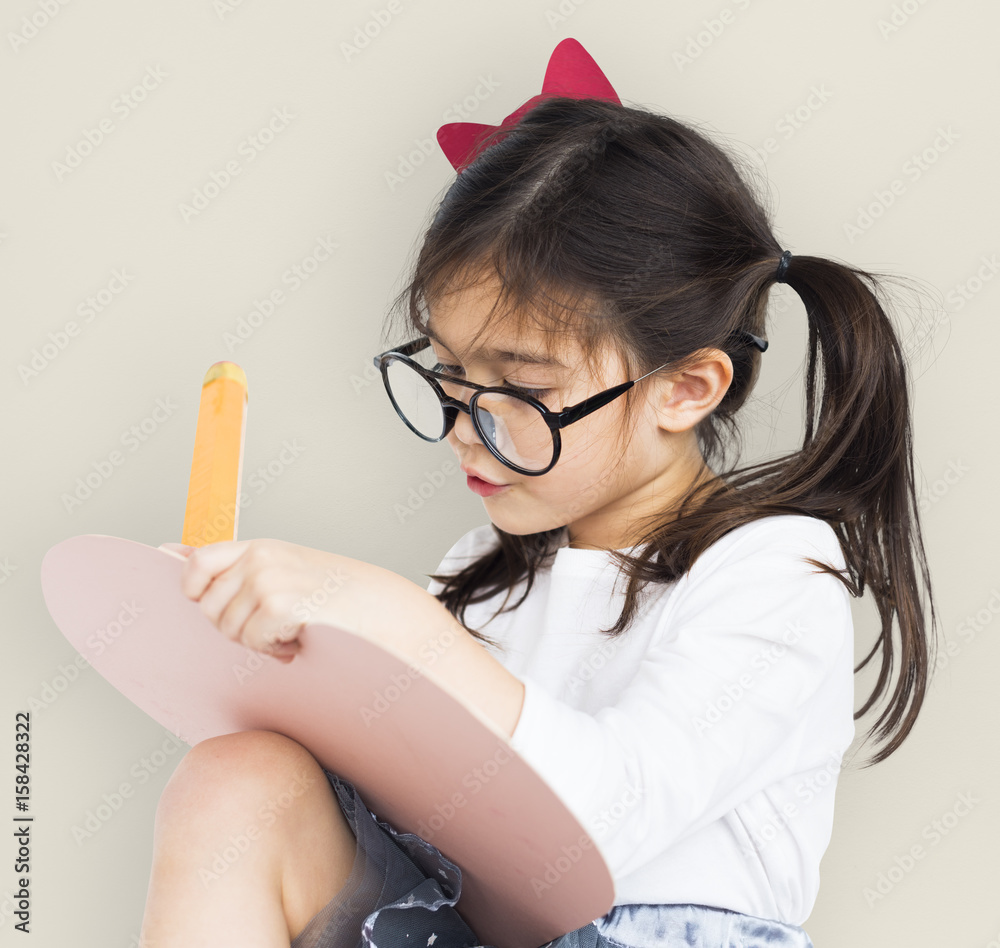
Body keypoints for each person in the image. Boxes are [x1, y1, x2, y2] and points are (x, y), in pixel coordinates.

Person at [140, 38, 938, 948]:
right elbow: (422, 823)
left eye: (521, 388)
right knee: (239, 781)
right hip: (479, 926)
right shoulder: (483, 572)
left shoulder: (774, 573)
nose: (462, 427)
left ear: (685, 388)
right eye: (447, 375)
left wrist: (401, 624)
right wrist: (277, 649)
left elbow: (603, 824)